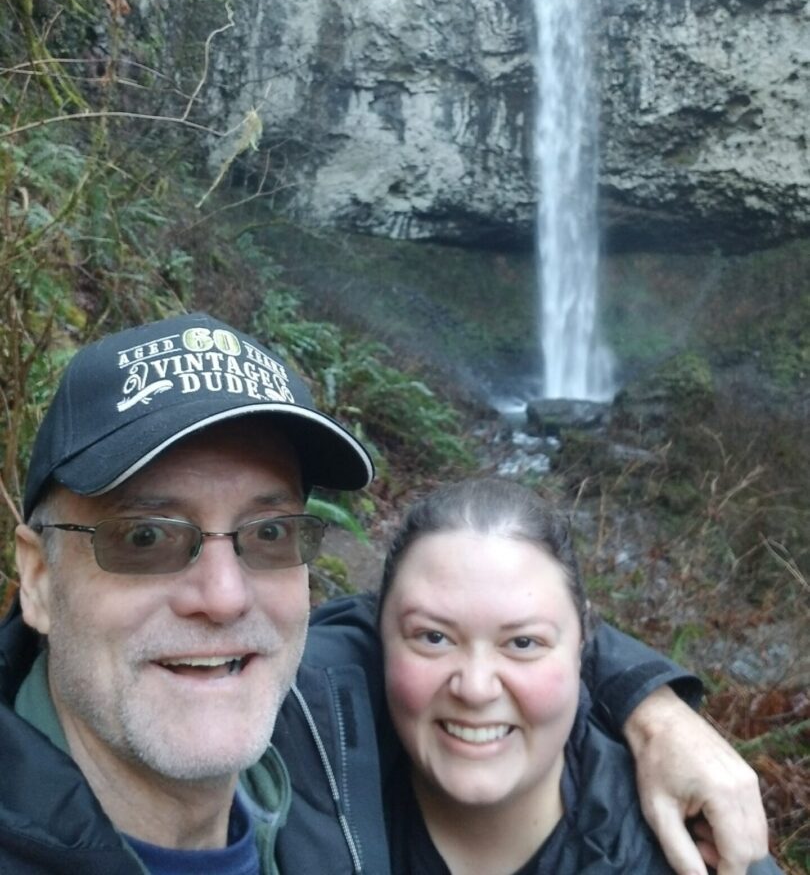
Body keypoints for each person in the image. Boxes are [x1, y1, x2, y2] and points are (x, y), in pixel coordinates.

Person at [0, 313, 769, 874]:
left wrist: (656, 712)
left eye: (270, 535)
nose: (225, 596)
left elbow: (465, 616)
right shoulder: (306, 709)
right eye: (146, 538)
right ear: (37, 578)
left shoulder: (314, 709)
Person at [366, 478, 779, 874]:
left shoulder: (712, 851)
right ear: (377, 634)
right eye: (434, 637)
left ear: (583, 643)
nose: (475, 688)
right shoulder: (313, 770)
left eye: (524, 643)